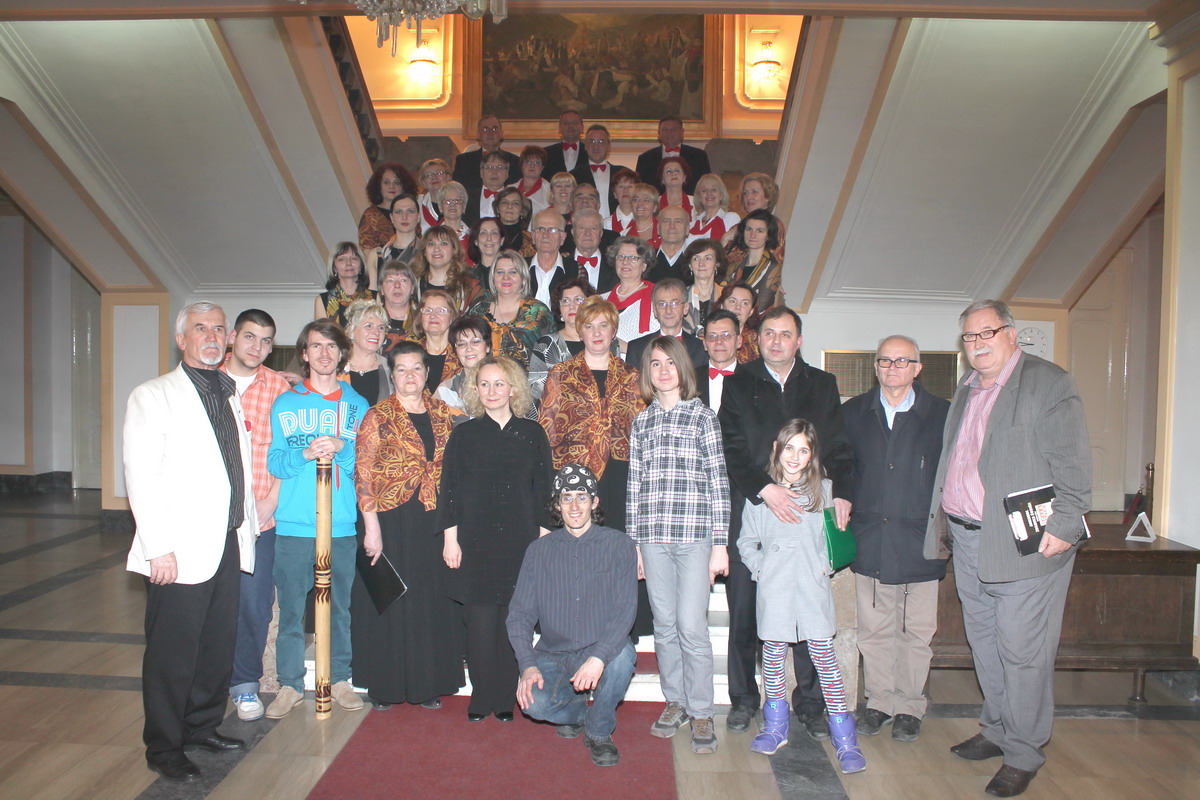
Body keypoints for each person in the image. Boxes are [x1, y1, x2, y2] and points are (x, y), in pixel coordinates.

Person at [924, 300, 1091, 798]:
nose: (977, 343)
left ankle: (1023, 751)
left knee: (1023, 651)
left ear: (1011, 334)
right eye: (969, 336)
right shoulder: (968, 386)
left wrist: (1065, 525)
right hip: (968, 538)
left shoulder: (1048, 383)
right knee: (986, 643)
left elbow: (1074, 465)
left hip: (1026, 544)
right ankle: (997, 729)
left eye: (987, 333)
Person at [125, 302, 257, 782]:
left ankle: (201, 727)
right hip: (177, 549)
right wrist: (157, 546)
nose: (212, 336)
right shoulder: (153, 395)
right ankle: (164, 746)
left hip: (226, 540)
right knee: (172, 653)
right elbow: (140, 475)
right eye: (201, 328)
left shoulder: (227, 393)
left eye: (219, 328)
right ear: (182, 339)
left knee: (215, 645)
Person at [718, 306, 854, 740]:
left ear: (799, 340)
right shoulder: (738, 383)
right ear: (757, 339)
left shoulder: (822, 383)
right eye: (769, 333)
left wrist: (842, 493)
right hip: (755, 507)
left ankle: (810, 705)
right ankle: (744, 699)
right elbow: (731, 447)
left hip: (809, 508)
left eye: (785, 334)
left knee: (809, 613)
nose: (776, 341)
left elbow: (837, 444)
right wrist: (765, 488)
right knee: (744, 610)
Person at [737, 420, 866, 774]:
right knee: (773, 661)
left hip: (812, 592)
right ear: (777, 449)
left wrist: (825, 565)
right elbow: (746, 542)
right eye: (789, 448)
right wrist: (762, 568)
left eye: (803, 450)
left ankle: (844, 737)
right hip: (775, 593)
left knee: (827, 663)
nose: (795, 457)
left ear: (812, 456)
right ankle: (775, 726)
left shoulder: (826, 491)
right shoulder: (761, 495)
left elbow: (839, 539)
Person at [844, 335, 950, 743]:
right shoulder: (853, 413)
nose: (893, 368)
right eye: (885, 361)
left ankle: (909, 707)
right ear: (875, 366)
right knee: (874, 630)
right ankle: (878, 702)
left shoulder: (942, 414)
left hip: (921, 540)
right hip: (871, 536)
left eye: (902, 361)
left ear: (917, 368)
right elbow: (841, 470)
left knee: (916, 632)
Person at [627, 336, 730, 755]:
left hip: (693, 538)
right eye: (655, 363)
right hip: (653, 538)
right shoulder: (642, 423)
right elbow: (634, 486)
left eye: (670, 362)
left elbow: (718, 483)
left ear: (683, 368)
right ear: (648, 372)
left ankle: (702, 710)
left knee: (691, 626)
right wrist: (635, 545)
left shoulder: (703, 417)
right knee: (665, 626)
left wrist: (720, 545)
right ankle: (676, 702)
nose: (663, 370)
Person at [353, 341, 466, 709]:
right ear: (392, 374)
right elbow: (363, 473)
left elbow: (454, 473)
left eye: (416, 367)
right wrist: (372, 529)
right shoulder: (377, 415)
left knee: (430, 600)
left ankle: (427, 684)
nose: (410, 375)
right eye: (401, 369)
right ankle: (386, 686)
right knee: (392, 600)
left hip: (434, 517)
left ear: (427, 372)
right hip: (390, 519)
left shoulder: (444, 413)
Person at [265, 319, 368, 719]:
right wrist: (305, 453)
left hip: (339, 524)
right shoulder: (286, 404)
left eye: (331, 346)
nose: (324, 353)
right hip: (294, 524)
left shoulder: (357, 406)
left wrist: (342, 447)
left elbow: (366, 467)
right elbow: (276, 462)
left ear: (341, 353)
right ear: (304, 354)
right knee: (292, 611)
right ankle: (290, 685)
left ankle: (339, 678)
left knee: (340, 607)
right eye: (315, 346)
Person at [441, 357, 553, 722]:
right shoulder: (464, 435)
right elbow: (450, 491)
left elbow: (544, 490)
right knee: (479, 624)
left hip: (522, 541)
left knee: (513, 621)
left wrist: (544, 540)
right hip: (474, 542)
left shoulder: (532, 434)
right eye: (485, 384)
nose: (492, 391)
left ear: (513, 388)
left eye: (499, 383)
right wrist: (450, 540)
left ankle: (505, 698)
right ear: (476, 390)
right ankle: (481, 696)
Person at [507, 464, 638, 767]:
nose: (575, 506)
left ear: (595, 502)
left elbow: (625, 609)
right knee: (533, 704)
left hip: (600, 647)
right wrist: (527, 665)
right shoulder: (538, 551)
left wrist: (599, 657)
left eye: (582, 496)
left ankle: (599, 730)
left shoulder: (619, 545)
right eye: (566, 498)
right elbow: (519, 614)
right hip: (554, 652)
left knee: (622, 658)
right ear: (557, 505)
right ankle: (581, 712)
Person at [221, 309, 292, 723]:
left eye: (266, 341)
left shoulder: (278, 387)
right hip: (211, 516)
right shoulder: (208, 382)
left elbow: (288, 449)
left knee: (255, 602)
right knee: (211, 603)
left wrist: (273, 499)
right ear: (233, 336)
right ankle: (208, 680)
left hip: (262, 517)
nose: (257, 347)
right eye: (250, 337)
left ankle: (245, 683)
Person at [467, 250, 553, 367]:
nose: (506, 277)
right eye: (500, 272)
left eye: (513, 272)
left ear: (523, 277)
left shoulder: (539, 311)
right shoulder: (478, 311)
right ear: (493, 277)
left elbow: (552, 356)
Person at [528, 277, 596, 401]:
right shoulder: (545, 345)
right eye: (565, 301)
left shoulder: (604, 341)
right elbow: (535, 394)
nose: (571, 306)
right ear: (559, 308)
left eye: (578, 300)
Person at [625, 278, 706, 370]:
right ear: (655, 310)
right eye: (662, 304)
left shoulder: (701, 349)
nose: (668, 310)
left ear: (685, 308)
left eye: (674, 303)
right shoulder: (636, 349)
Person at [723, 210, 784, 318]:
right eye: (749, 229)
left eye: (759, 231)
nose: (752, 235)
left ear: (768, 235)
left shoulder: (772, 266)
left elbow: (760, 307)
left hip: (754, 323)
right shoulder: (734, 264)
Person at [604, 236, 659, 349]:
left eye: (633, 258)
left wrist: (621, 346)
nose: (625, 262)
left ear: (644, 265)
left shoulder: (657, 296)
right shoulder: (602, 299)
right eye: (621, 256)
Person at [411, 224, 482, 311]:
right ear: (424, 251)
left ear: (454, 249)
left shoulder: (470, 287)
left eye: (443, 243)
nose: (436, 249)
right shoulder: (411, 286)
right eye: (431, 244)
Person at [636, 116, 712, 195]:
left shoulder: (699, 156)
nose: (669, 133)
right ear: (658, 133)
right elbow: (639, 189)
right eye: (664, 130)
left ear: (682, 132)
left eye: (673, 129)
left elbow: (707, 183)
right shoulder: (645, 159)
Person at [436, 315, 491, 422]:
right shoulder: (446, 390)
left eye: (475, 341)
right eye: (461, 344)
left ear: (487, 346)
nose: (469, 349)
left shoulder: (506, 380)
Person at [341, 299, 393, 405]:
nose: (376, 332)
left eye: (381, 328)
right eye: (368, 326)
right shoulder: (336, 367)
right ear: (351, 331)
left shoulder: (391, 369)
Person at [359, 162, 419, 250]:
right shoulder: (370, 216)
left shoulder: (412, 210)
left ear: (404, 186)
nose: (392, 186)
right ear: (379, 186)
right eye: (386, 182)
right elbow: (367, 250)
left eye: (397, 182)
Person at [314, 241, 376, 326]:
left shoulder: (375, 297)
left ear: (361, 265)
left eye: (354, 258)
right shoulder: (322, 300)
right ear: (334, 268)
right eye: (342, 259)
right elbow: (321, 333)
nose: (349, 263)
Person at [453, 115, 520, 191]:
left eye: (494, 129)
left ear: (501, 134)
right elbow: (457, 189)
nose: (490, 133)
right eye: (485, 129)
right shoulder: (463, 161)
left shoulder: (515, 161)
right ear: (478, 134)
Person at [414, 289, 461, 393]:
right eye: (428, 310)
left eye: (441, 311)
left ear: (452, 317)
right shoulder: (410, 353)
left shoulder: (462, 355)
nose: (433, 316)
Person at [695, 310, 740, 413]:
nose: (719, 341)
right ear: (705, 344)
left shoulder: (754, 382)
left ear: (739, 341)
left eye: (726, 335)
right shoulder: (690, 379)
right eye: (712, 336)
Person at [367, 194, 421, 278]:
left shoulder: (427, 251)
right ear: (391, 218)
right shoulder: (378, 255)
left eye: (410, 211)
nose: (404, 217)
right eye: (398, 212)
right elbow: (374, 286)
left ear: (418, 217)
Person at [528, 209, 573, 308]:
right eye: (541, 229)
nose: (545, 235)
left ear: (562, 238)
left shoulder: (576, 270)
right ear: (533, 236)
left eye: (553, 230)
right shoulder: (519, 268)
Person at [567, 209, 618, 294]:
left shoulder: (615, 267)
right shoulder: (562, 267)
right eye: (582, 228)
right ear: (573, 232)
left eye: (593, 228)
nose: (587, 233)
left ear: (601, 233)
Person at [683, 239, 727, 331]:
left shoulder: (727, 296)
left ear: (717, 264)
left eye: (708, 258)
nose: (701, 264)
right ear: (690, 265)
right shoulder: (681, 296)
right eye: (696, 258)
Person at [378, 261, 419, 353]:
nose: (397, 285)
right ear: (381, 289)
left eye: (403, 280)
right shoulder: (371, 321)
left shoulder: (422, 321)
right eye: (390, 281)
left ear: (412, 288)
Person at [576, 124, 616, 216]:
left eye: (601, 141)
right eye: (592, 141)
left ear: (608, 146)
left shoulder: (621, 175)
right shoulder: (574, 175)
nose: (596, 146)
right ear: (585, 145)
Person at [466, 150, 512, 226]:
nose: (494, 172)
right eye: (489, 167)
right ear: (481, 172)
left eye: (499, 167)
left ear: (507, 173)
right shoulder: (467, 198)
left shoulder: (515, 200)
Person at [689, 174, 740, 243]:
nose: (709, 193)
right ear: (700, 197)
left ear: (721, 195)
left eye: (714, 190)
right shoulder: (691, 224)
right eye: (704, 190)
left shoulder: (731, 218)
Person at [647, 205, 691, 283]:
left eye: (678, 221)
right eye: (666, 221)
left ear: (687, 229)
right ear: (658, 228)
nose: (672, 226)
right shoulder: (646, 260)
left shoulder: (696, 261)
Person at [491, 185, 536, 257]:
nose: (510, 206)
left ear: (522, 210)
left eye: (515, 203)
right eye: (505, 202)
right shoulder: (487, 235)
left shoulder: (531, 240)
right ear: (497, 208)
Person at [720, 283, 761, 363]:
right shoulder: (707, 338)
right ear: (722, 306)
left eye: (744, 303)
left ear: (751, 311)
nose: (738, 307)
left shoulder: (759, 342)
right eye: (732, 301)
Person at [542, 110, 584, 179]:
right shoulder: (545, 153)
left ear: (582, 127)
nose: (570, 126)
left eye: (574, 123)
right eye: (566, 123)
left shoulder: (590, 153)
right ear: (560, 128)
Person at [511, 145, 551, 216]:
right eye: (528, 162)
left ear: (542, 167)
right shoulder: (510, 189)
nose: (532, 165)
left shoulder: (550, 190)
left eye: (537, 162)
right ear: (522, 165)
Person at [434, 181, 472, 252]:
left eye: (457, 201)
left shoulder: (473, 237)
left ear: (464, 206)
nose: (452, 205)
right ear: (440, 207)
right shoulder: (432, 236)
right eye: (447, 201)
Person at [467, 216, 505, 287]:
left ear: (502, 240)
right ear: (476, 241)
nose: (489, 238)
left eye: (494, 233)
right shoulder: (468, 276)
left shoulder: (510, 275)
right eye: (483, 233)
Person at [417, 158, 451, 231]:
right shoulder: (417, 204)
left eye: (439, 173)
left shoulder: (460, 201)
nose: (434, 177)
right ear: (423, 182)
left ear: (448, 177)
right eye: (428, 175)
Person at [627, 183, 661, 249]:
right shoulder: (624, 234)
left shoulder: (664, 230)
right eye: (636, 200)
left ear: (655, 207)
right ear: (631, 206)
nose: (640, 203)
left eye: (646, 200)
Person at [606, 168, 639, 235]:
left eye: (630, 186)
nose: (625, 190)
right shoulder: (605, 224)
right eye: (621, 187)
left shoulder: (645, 222)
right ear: (614, 193)